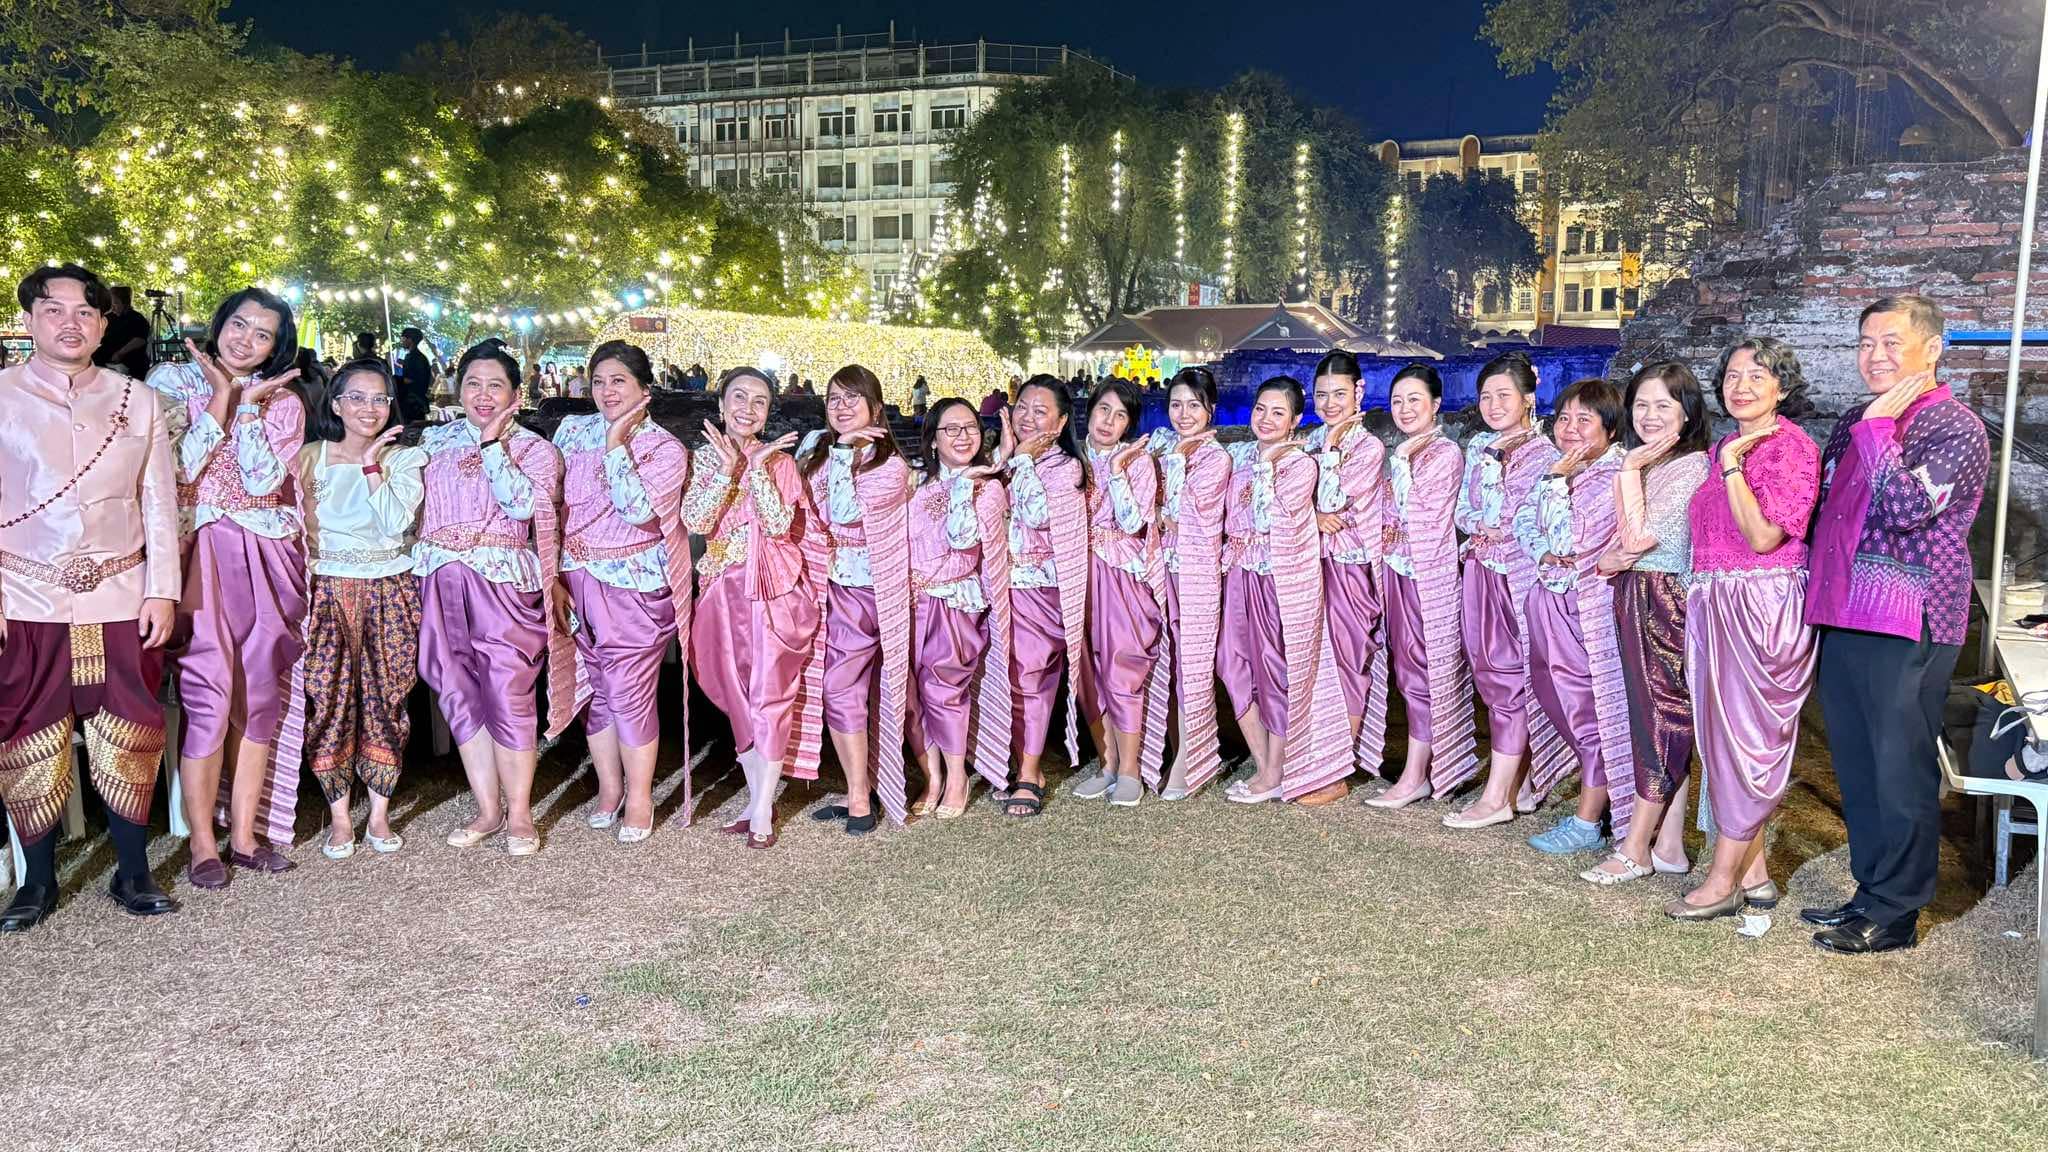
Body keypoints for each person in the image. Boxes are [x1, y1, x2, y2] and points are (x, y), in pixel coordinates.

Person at [1804, 295, 1990, 954]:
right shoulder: (1856, 419)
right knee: (1857, 764)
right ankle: (1871, 891)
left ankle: (1897, 911)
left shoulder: (1954, 426)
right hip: (1844, 610)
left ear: (1931, 349)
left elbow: (1908, 507)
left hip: (1909, 619)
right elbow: (1827, 509)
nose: (1874, 355)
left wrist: (1879, 429)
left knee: (1899, 766)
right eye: (1865, 343)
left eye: (1891, 342)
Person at [0, 264, 181, 931]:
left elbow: (158, 502)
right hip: (25, 596)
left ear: (105, 325)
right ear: (29, 320)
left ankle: (133, 871)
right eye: (54, 310)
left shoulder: (139, 400)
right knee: (28, 731)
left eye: (86, 312)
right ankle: (37, 881)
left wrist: (163, 590)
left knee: (132, 730)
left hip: (122, 593)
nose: (70, 323)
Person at [149, 287, 308, 888]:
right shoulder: (169, 381)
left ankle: (244, 836)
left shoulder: (283, 400)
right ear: (218, 324)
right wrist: (222, 398)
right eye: (238, 324)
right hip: (200, 553)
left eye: (262, 334)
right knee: (209, 693)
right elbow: (176, 470)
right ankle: (202, 843)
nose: (246, 340)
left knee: (259, 694)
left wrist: (247, 410)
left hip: (266, 554)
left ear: (276, 347)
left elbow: (263, 480)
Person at [1664, 336, 1822, 920]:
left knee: (1748, 743)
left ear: (1782, 387)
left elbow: (1762, 537)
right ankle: (1754, 876)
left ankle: (1723, 880)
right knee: (1720, 742)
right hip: (1714, 602)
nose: (1742, 386)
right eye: (1732, 375)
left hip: (1761, 604)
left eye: (1758, 375)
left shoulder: (1791, 449)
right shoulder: (1724, 447)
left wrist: (1732, 465)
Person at [416, 343, 571, 857]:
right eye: (473, 384)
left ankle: (520, 812)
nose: (483, 395)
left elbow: (522, 506)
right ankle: (487, 809)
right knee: (457, 692)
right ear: (458, 388)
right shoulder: (434, 442)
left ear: (516, 394)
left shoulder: (535, 449)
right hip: (439, 577)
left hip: (503, 583)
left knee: (509, 692)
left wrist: (490, 445)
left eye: (495, 386)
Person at [553, 340, 691, 843]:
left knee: (629, 692)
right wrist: (555, 575)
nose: (607, 391)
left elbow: (638, 511)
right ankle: (609, 789)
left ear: (644, 389)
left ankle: (639, 797)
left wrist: (615, 443)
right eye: (598, 382)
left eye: (619, 381)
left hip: (634, 584)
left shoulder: (665, 449)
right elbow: (555, 506)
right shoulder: (571, 432)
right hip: (577, 576)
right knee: (598, 690)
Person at [1582, 361, 1712, 886]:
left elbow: (1639, 540)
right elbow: (1618, 546)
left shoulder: (1691, 466)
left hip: (1664, 601)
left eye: (1663, 405)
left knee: (1663, 717)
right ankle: (1670, 845)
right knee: (1652, 715)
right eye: (1641, 405)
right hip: (1637, 594)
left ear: (1687, 411)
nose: (1649, 416)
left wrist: (1628, 470)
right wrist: (1611, 558)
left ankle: (1636, 846)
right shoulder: (1657, 463)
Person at [296, 358, 426, 860]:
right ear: (335, 404)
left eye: (379, 399)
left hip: (389, 585)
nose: (368, 408)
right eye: (356, 397)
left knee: (386, 697)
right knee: (327, 697)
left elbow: (393, 524)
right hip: (326, 588)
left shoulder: (405, 460)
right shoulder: (309, 457)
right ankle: (338, 816)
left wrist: (372, 464)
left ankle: (379, 814)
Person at [683, 367, 814, 848]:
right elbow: (696, 520)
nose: (748, 408)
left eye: (760, 401)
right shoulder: (704, 457)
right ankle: (759, 797)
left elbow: (778, 525)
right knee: (735, 693)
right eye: (739, 397)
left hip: (770, 591)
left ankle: (761, 810)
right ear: (721, 404)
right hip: (721, 590)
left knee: (769, 694)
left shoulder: (780, 462)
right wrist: (726, 470)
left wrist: (757, 468)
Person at [1445, 352, 1567, 829]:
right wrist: (1483, 525)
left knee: (1508, 676)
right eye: (1486, 397)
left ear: (1528, 399)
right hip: (1479, 568)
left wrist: (1488, 519)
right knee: (1487, 670)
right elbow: (1464, 511)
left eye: (1504, 395)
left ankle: (1498, 796)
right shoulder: (1479, 444)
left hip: (1514, 577)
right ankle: (1521, 781)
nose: (1493, 405)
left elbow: (1515, 518)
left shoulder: (1543, 454)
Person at [1217, 376, 1349, 804]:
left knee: (1274, 669)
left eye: (1279, 412)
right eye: (1260, 409)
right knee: (1231, 663)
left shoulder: (1299, 465)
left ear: (1295, 420)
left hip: (1276, 578)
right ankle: (1265, 764)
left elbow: (1266, 519)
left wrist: (1268, 465)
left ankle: (1275, 771)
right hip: (1238, 571)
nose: (1267, 419)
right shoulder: (1241, 456)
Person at [798, 364, 915, 832]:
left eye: (852, 398)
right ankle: (857, 787)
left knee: (843, 687)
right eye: (834, 399)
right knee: (829, 688)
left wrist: (846, 449)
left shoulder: (890, 465)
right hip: (817, 581)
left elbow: (845, 514)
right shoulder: (815, 447)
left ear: (875, 408)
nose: (842, 407)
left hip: (862, 587)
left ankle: (862, 797)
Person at [1519, 378, 1633, 856]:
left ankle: (1589, 821)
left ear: (1610, 429)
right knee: (1554, 697)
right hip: (1549, 597)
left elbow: (1573, 538)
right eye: (1564, 418)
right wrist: (1544, 552)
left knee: (1588, 707)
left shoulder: (1613, 476)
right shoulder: (1563, 468)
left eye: (1584, 420)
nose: (1569, 428)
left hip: (1585, 607)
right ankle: (1600, 800)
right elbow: (1524, 522)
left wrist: (1552, 486)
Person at [1366, 364, 1478, 810]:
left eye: (1415, 399)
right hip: (1398, 570)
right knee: (1408, 669)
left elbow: (1417, 513)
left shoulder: (1443, 453)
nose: (1405, 408)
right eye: (1397, 401)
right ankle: (1418, 769)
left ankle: (1418, 774)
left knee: (1423, 671)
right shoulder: (1408, 451)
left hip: (1426, 577)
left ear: (1435, 405)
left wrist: (1399, 462)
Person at [906, 397, 1011, 817]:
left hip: (953, 601)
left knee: (944, 687)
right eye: (951, 429)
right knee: (909, 693)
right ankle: (931, 776)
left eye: (970, 427)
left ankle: (956, 776)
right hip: (908, 600)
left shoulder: (989, 487)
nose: (963, 436)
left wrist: (965, 484)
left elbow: (962, 540)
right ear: (933, 440)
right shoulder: (915, 483)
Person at [1067, 377, 1163, 806]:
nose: (1109, 421)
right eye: (1104, 409)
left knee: (1122, 667)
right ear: (1090, 409)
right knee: (1087, 672)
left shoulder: (1138, 462)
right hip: (1074, 572)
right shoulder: (1069, 456)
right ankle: (1107, 764)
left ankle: (1130, 770)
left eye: (1121, 415)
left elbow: (1131, 522)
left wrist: (1119, 470)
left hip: (1118, 574)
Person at [999, 375, 1091, 818]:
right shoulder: (1007, 458)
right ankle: (1022, 764)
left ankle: (1029, 771)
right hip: (1001, 586)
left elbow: (1037, 516)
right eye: (1022, 407)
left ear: (1061, 422)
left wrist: (1020, 462)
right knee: (1011, 680)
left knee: (1033, 678)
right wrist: (1006, 460)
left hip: (1038, 587)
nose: (1028, 417)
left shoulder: (1064, 468)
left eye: (1040, 411)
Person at [1142, 367, 1233, 800]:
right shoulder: (1161, 446)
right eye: (1176, 405)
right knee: (1167, 660)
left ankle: (1191, 760)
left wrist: (1161, 512)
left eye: (1194, 405)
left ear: (1209, 409)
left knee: (1193, 665)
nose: (1184, 414)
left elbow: (1189, 516)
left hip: (1195, 572)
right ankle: (1176, 750)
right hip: (1160, 566)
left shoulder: (1215, 459)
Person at [1304, 350, 1387, 804]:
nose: (1329, 403)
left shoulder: (1367, 447)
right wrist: (1311, 516)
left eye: (1339, 394)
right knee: (1311, 660)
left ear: (1359, 392)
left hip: (1350, 566)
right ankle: (1314, 756)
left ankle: (1338, 770)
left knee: (1347, 660)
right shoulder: (1310, 440)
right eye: (1321, 395)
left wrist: (1333, 448)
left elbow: (1335, 500)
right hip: (1308, 563)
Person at [93, 285, 152, 379]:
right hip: (106, 359)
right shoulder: (108, 318)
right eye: (111, 304)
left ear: (125, 303)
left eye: (115, 303)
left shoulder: (137, 318)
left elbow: (139, 340)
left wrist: (120, 353)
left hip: (130, 361)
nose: (112, 307)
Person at [397, 327, 432, 424]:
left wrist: (394, 379)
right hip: (416, 402)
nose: (401, 341)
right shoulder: (420, 357)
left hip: (413, 403)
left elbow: (411, 379)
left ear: (410, 340)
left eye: (403, 338)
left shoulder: (414, 358)